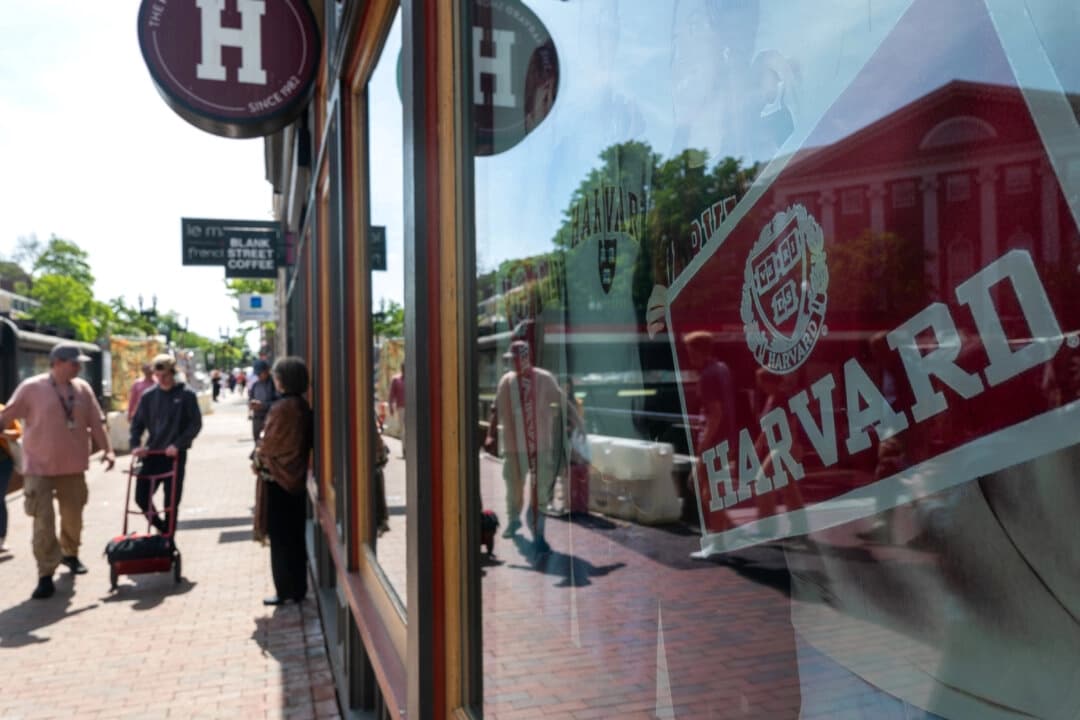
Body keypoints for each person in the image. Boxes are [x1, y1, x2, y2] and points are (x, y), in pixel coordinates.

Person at [0, 343, 116, 599]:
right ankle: (45, 573)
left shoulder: (82, 389)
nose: (80, 367)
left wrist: (107, 450)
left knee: (73, 516)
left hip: (73, 467)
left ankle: (70, 554)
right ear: (58, 362)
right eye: (75, 363)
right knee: (43, 521)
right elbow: (7, 415)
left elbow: (96, 423)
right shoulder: (32, 388)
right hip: (38, 467)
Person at [493, 339, 582, 555]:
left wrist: (578, 423)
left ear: (525, 358)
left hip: (540, 445)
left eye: (516, 359)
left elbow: (562, 401)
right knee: (513, 486)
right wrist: (490, 435)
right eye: (511, 360)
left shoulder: (543, 379)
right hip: (514, 446)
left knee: (541, 490)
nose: (513, 364)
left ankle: (539, 534)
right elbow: (495, 409)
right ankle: (514, 519)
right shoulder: (506, 381)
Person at [253, 356, 313, 605]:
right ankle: (297, 588)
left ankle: (285, 590)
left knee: (280, 538)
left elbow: (269, 446)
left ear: (283, 380)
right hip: (297, 478)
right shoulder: (301, 405)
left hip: (279, 480)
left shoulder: (283, 408)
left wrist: (258, 456)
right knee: (296, 536)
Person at [129, 353, 202, 535]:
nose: (162, 379)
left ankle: (169, 539)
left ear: (173, 373)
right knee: (141, 496)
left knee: (171, 501)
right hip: (153, 453)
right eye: (158, 376)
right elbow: (137, 424)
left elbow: (195, 424)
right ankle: (163, 529)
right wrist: (136, 445)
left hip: (174, 455)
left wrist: (178, 444)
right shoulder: (148, 396)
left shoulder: (186, 395)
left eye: (166, 375)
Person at [0, 404, 22, 553]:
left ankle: (1, 538)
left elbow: (18, 432)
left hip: (3, 462)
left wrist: (2, 433)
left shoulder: (3, 410)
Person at [248, 359, 279, 443]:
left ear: (267, 371)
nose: (258, 376)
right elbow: (251, 399)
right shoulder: (255, 385)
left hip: (271, 419)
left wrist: (263, 405)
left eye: (260, 373)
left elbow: (280, 403)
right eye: (257, 374)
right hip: (257, 419)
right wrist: (252, 405)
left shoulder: (275, 384)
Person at [388, 364, 405, 456]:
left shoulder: (412, 378)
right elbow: (392, 395)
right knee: (403, 429)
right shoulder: (396, 380)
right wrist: (390, 407)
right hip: (401, 408)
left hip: (412, 408)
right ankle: (404, 449)